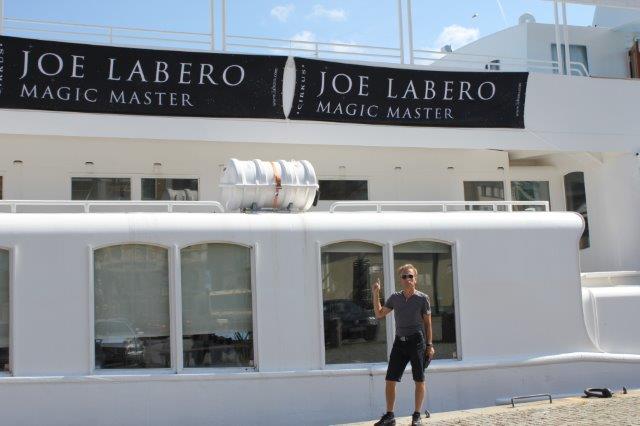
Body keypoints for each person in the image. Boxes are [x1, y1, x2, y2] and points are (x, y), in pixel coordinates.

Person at [372, 264, 435, 426]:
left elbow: (428, 324)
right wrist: (376, 293)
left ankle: (416, 416)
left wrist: (429, 345)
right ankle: (390, 416)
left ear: (415, 279)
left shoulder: (422, 298)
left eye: (410, 276)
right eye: (404, 276)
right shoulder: (395, 298)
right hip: (399, 342)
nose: (408, 279)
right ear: (401, 280)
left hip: (417, 342)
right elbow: (379, 314)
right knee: (390, 379)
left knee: (419, 379)